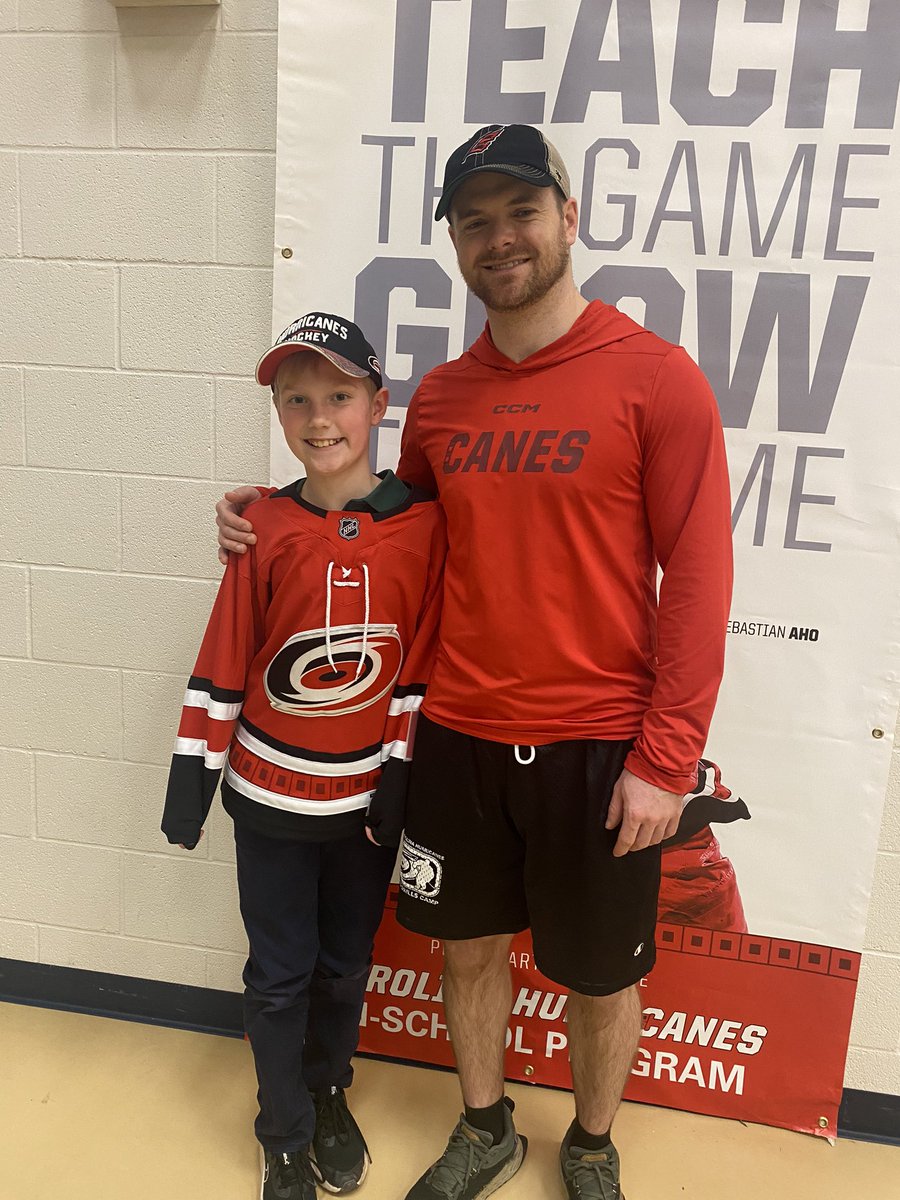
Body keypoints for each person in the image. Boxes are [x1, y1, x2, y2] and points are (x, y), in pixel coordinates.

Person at [216, 125, 733, 1200]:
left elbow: (699, 576)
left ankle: (590, 1145)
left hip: (601, 745)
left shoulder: (658, 380)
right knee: (469, 950)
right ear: (454, 240)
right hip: (456, 734)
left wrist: (667, 757)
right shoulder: (445, 400)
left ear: (568, 218)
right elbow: (382, 525)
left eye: (522, 212)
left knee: (600, 976)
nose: (500, 238)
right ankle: (486, 1127)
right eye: (475, 220)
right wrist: (264, 512)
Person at [162, 312, 445, 1200]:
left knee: (345, 965)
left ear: (378, 403)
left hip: (363, 808)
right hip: (271, 800)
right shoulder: (263, 527)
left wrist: (400, 777)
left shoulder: (426, 527)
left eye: (339, 396)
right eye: (296, 400)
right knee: (279, 975)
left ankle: (327, 1094)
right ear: (279, 411)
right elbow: (226, 655)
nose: (319, 419)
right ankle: (281, 1130)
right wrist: (192, 781)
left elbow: (421, 666)